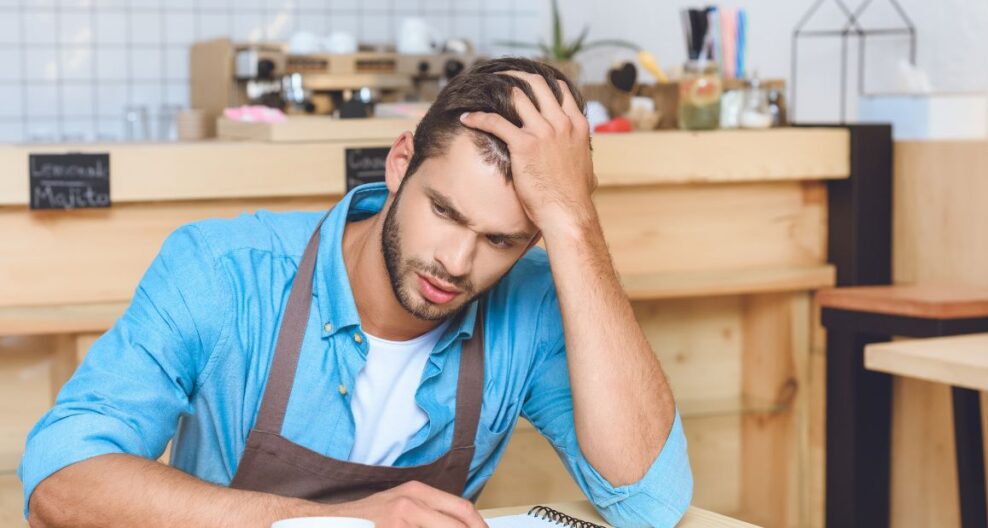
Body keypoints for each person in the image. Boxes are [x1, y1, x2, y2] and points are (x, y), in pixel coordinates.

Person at [20, 58, 693, 528]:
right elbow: (61, 482)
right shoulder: (223, 272)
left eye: (501, 241)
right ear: (400, 164)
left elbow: (649, 501)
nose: (456, 263)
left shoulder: (533, 306)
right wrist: (334, 525)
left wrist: (574, 224)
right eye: (446, 212)